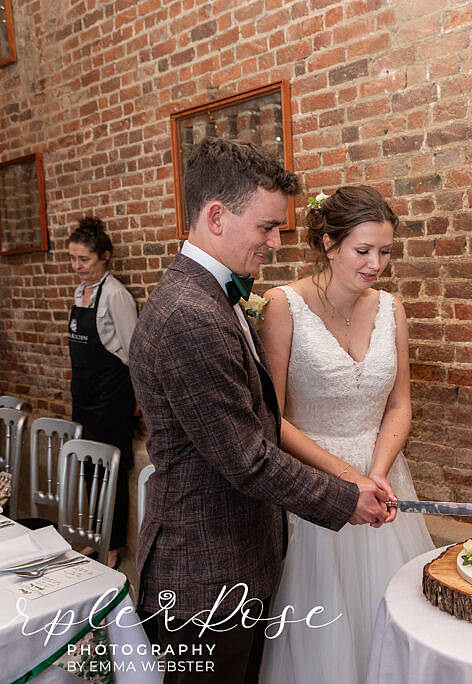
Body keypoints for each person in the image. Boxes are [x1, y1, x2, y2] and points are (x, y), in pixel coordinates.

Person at [129, 137, 388, 684]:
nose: (275, 240)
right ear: (216, 216)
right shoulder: (190, 316)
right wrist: (347, 497)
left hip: (237, 560)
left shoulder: (209, 295)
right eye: (267, 226)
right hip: (204, 576)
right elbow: (247, 458)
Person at [258, 186, 435, 684]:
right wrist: (346, 480)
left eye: (385, 252)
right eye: (363, 251)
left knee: (387, 610)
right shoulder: (281, 306)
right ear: (329, 243)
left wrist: (376, 474)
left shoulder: (391, 308)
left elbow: (400, 403)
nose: (376, 264)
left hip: (382, 477)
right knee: (324, 624)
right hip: (313, 484)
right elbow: (272, 419)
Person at [68, 217, 138, 568]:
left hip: (111, 397)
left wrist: (139, 401)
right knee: (89, 468)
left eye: (84, 260)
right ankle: (95, 538)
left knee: (113, 469)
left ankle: (113, 545)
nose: (77, 267)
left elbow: (134, 352)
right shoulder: (80, 293)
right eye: (74, 259)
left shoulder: (116, 295)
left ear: (105, 257)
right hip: (83, 394)